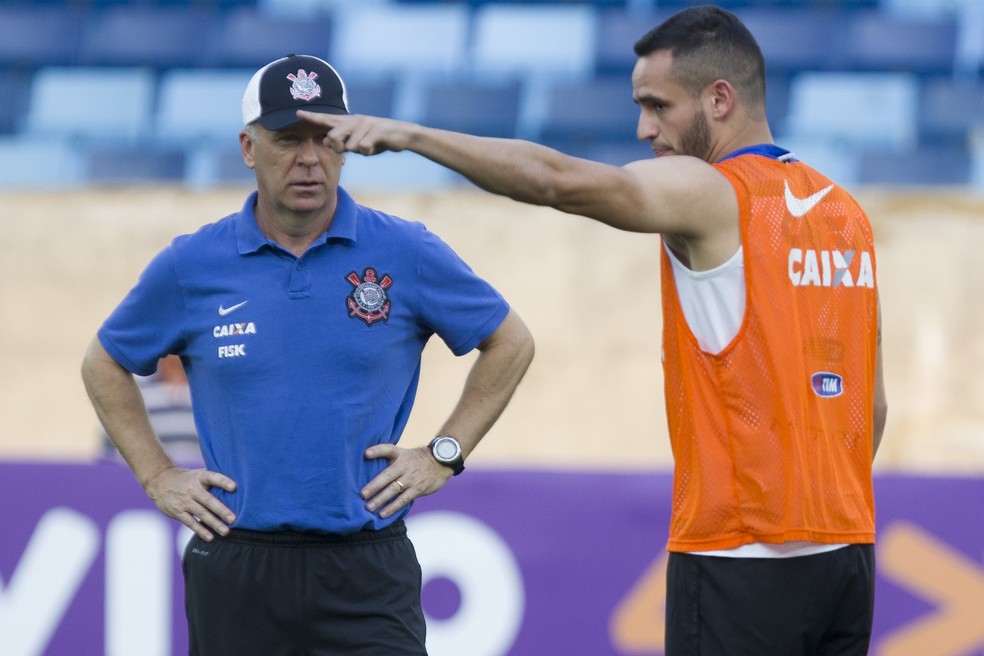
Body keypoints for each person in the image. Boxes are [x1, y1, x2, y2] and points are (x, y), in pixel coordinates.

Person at [300, 6, 888, 655]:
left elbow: (558, 182)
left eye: (657, 105)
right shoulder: (843, 214)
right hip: (845, 553)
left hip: (738, 553)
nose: (644, 128)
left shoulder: (715, 192)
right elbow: (872, 405)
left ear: (720, 99)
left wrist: (412, 136)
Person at [81, 54, 534, 656]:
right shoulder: (192, 264)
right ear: (248, 148)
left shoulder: (407, 251)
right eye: (288, 140)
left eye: (325, 139)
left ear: (346, 146)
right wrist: (158, 474)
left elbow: (511, 341)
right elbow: (103, 361)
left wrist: (443, 454)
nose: (309, 159)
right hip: (238, 563)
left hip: (367, 566)